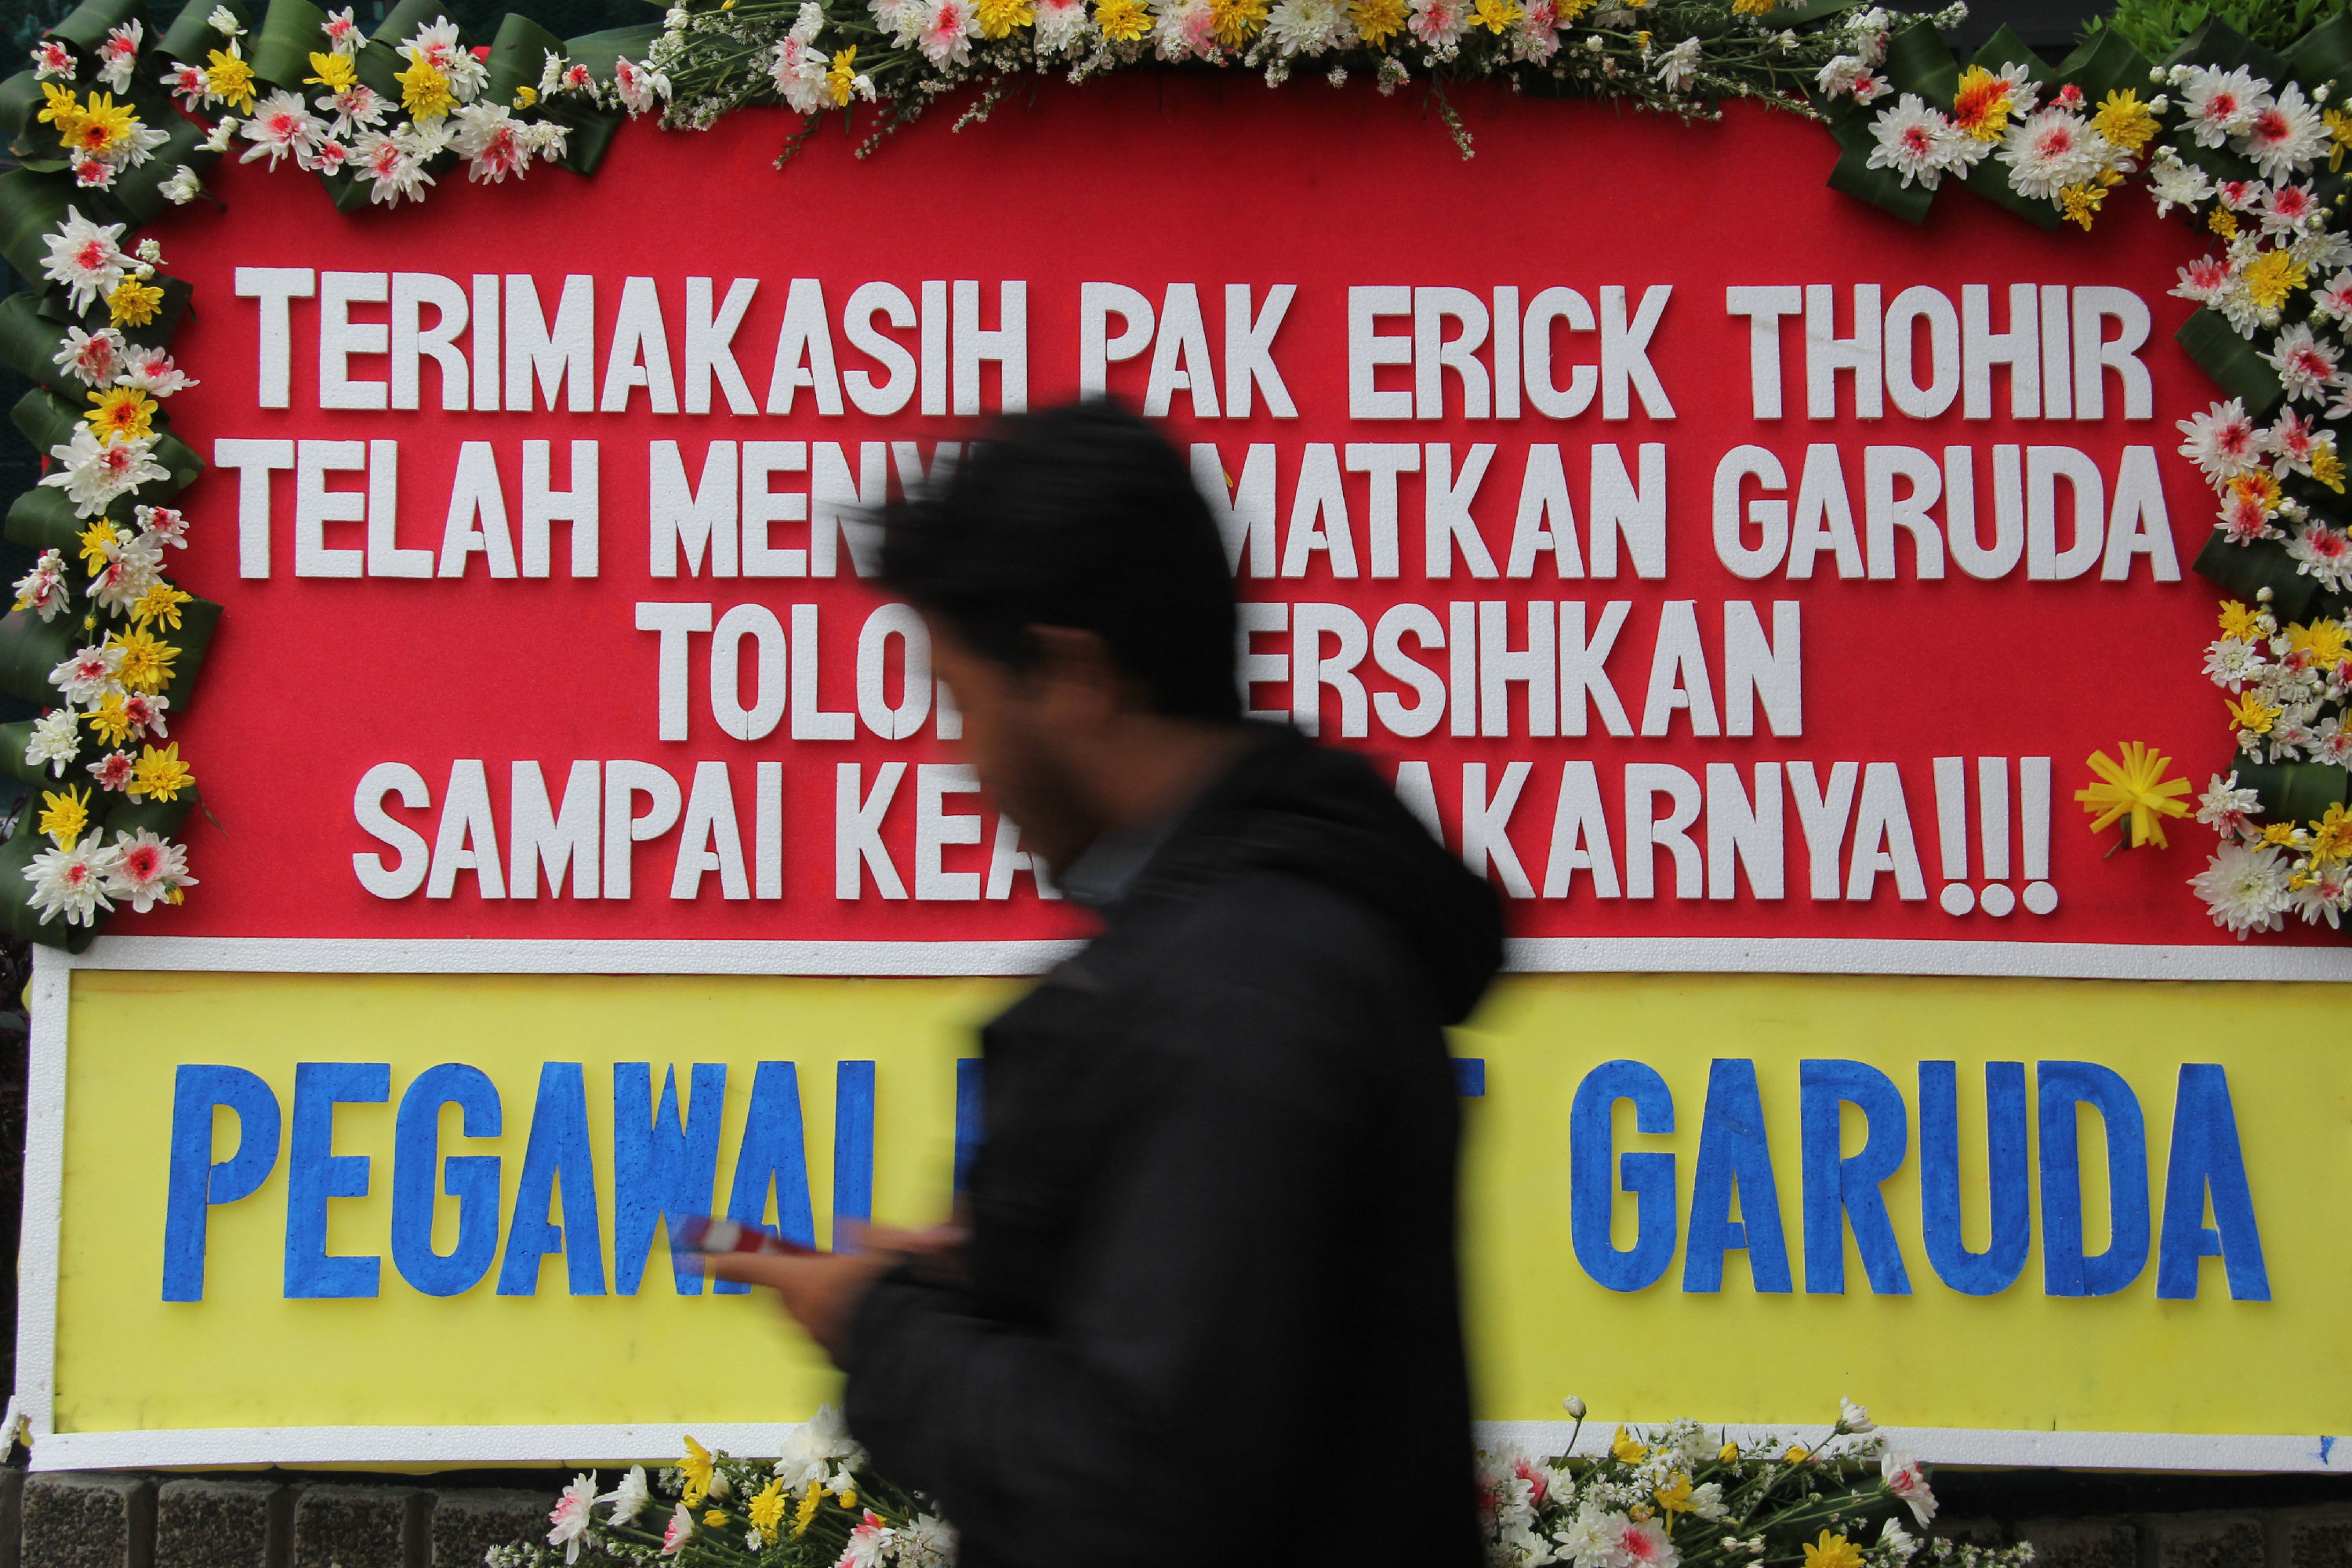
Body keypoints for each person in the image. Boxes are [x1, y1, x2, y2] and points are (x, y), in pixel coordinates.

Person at [702, 399, 1503, 1568]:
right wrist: (1017, 1266)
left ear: (1071, 674)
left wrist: (875, 1326)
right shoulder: (1244, 952)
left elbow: (1137, 1482)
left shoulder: (1244, 989)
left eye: (965, 704)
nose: (963, 765)